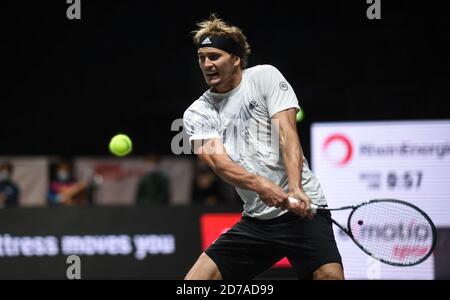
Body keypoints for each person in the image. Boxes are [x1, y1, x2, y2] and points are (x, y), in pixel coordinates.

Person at [182, 15, 344, 280]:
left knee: (329, 276)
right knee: (195, 283)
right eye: (202, 57)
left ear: (235, 59)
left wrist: (295, 188)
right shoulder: (197, 113)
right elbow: (219, 164)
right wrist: (259, 185)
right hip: (258, 220)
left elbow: (288, 135)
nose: (207, 64)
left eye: (214, 56)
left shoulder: (264, 77)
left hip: (303, 209)